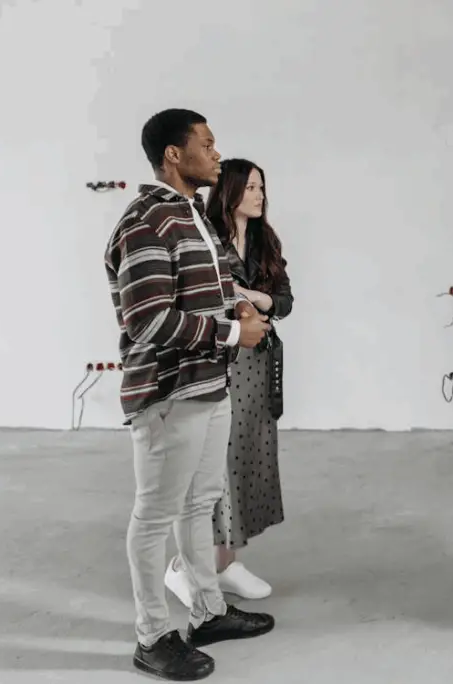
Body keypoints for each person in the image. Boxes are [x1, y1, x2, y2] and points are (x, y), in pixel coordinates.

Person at [104, 108, 276, 681]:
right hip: (167, 393)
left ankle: (206, 611)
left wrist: (241, 306)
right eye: (206, 142)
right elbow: (149, 319)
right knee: (154, 516)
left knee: (199, 506)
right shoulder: (146, 222)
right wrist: (233, 332)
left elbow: (216, 284)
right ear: (174, 155)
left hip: (209, 385)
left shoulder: (192, 215)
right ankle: (152, 636)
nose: (217, 152)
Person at [164, 158, 293, 604]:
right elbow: (203, 296)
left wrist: (258, 298)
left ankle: (226, 561)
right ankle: (185, 567)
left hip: (258, 366)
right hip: (220, 361)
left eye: (263, 186)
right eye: (252, 186)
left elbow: (285, 300)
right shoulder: (209, 236)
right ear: (233, 190)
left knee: (248, 461)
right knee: (213, 469)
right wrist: (248, 304)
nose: (260, 194)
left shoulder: (264, 240)